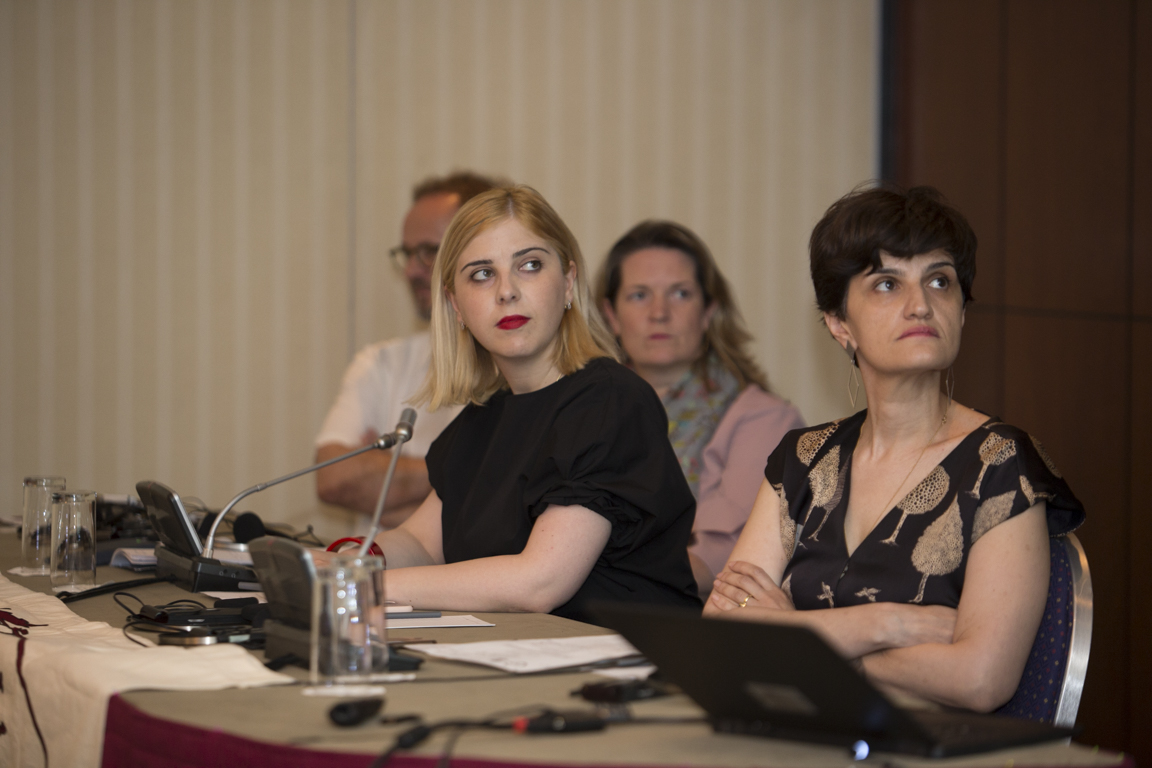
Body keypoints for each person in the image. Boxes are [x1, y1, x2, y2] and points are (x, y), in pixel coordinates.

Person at [704, 185, 1085, 713]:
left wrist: (796, 637)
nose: (921, 304)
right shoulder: (803, 458)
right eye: (887, 283)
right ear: (839, 324)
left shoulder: (1001, 463)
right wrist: (889, 624)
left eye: (940, 281)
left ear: (961, 313)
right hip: (791, 733)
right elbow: (722, 634)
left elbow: (981, 679)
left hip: (924, 746)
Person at [369, 186, 702, 623]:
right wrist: (344, 561)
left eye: (529, 265)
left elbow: (539, 582)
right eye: (482, 274)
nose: (506, 291)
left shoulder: (611, 400)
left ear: (568, 283)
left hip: (625, 657)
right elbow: (422, 544)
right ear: (455, 305)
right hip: (520, 653)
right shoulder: (482, 417)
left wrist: (363, 586)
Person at [596, 221, 804, 595]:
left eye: (680, 294)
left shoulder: (765, 420)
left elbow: (731, 557)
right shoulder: (585, 410)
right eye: (639, 295)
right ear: (611, 315)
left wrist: (606, 585)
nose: (659, 312)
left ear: (708, 311)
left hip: (687, 614)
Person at [314, 172, 501, 527]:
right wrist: (473, 472)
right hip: (373, 563)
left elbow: (506, 514)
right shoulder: (381, 363)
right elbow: (333, 478)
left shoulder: (521, 369)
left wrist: (385, 476)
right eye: (407, 253)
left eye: (429, 252)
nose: (412, 271)